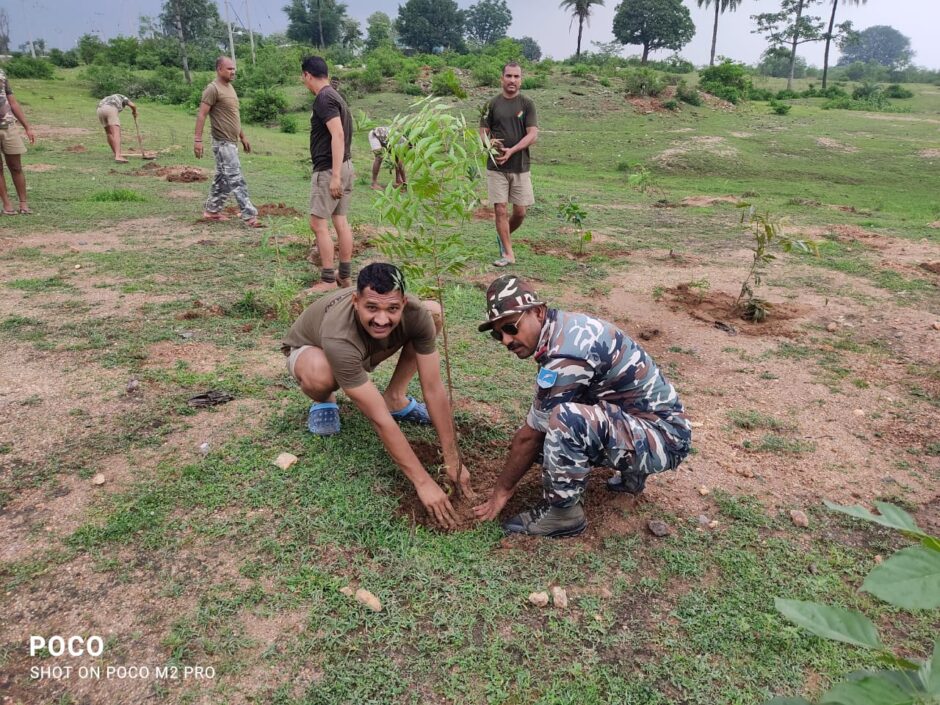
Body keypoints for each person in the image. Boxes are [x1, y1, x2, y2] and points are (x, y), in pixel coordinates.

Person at [473, 275, 692, 538]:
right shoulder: (564, 328)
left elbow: (530, 437)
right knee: (568, 416)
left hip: (664, 440)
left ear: (538, 312)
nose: (506, 341)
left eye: (511, 327)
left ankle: (564, 514)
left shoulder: (566, 355)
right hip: (655, 428)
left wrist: (501, 491)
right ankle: (632, 475)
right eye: (498, 335)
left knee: (563, 421)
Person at [281, 262, 473, 529]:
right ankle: (324, 400)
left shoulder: (413, 313)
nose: (382, 318)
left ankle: (396, 397)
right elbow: (381, 420)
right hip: (312, 350)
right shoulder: (339, 336)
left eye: (392, 308)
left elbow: (434, 388)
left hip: (364, 349)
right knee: (321, 374)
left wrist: (452, 456)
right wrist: (423, 482)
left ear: (403, 303)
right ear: (355, 300)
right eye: (372, 307)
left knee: (433, 314)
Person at [301, 55, 354, 292]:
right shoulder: (336, 96)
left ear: (307, 75)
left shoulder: (323, 98)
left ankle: (327, 280)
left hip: (330, 168)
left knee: (317, 223)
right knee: (340, 221)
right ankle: (344, 276)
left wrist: (334, 176)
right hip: (345, 165)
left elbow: (338, 134)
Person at [478, 61, 538, 268]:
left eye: (516, 77)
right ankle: (508, 253)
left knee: (520, 212)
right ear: (501, 79)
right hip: (496, 167)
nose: (512, 80)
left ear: (521, 80)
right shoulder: (490, 105)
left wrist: (512, 150)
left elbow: (533, 134)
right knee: (501, 209)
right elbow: (483, 134)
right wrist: (489, 145)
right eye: (509, 76)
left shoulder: (527, 104)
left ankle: (503, 237)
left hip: (520, 165)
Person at [193, 56, 263, 228]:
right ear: (219, 69)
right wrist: (197, 139)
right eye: (229, 68)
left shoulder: (230, 88)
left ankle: (211, 211)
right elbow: (202, 114)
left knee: (222, 178)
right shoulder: (212, 89)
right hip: (222, 142)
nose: (233, 71)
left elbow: (233, 116)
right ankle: (249, 215)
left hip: (232, 141)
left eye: (234, 68)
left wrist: (243, 136)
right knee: (236, 178)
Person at [0, 67, 36, 215]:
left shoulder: (1, 73)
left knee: (16, 166)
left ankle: (23, 204)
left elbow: (12, 101)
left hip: (8, 126)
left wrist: (27, 126)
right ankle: (7, 205)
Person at [96, 93, 138, 163]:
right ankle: (118, 156)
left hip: (99, 109)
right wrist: (134, 112)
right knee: (116, 133)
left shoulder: (110, 97)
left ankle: (116, 153)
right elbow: (133, 105)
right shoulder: (124, 97)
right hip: (110, 108)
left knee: (109, 133)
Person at [368, 126, 406, 190]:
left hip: (383, 138)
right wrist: (405, 182)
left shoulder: (404, 144)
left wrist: (399, 180)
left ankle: (398, 180)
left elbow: (397, 159)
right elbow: (400, 163)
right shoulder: (403, 143)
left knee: (397, 158)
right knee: (379, 157)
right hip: (375, 135)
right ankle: (373, 183)